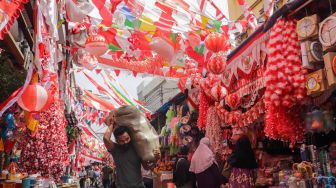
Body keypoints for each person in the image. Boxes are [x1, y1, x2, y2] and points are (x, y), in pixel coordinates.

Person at [103, 111, 161, 188]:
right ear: (117, 141)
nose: (125, 142)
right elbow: (106, 138)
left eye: (127, 139)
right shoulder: (115, 149)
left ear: (130, 136)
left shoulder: (138, 147)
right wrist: (111, 124)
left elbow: (146, 167)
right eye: (122, 141)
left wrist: (156, 158)